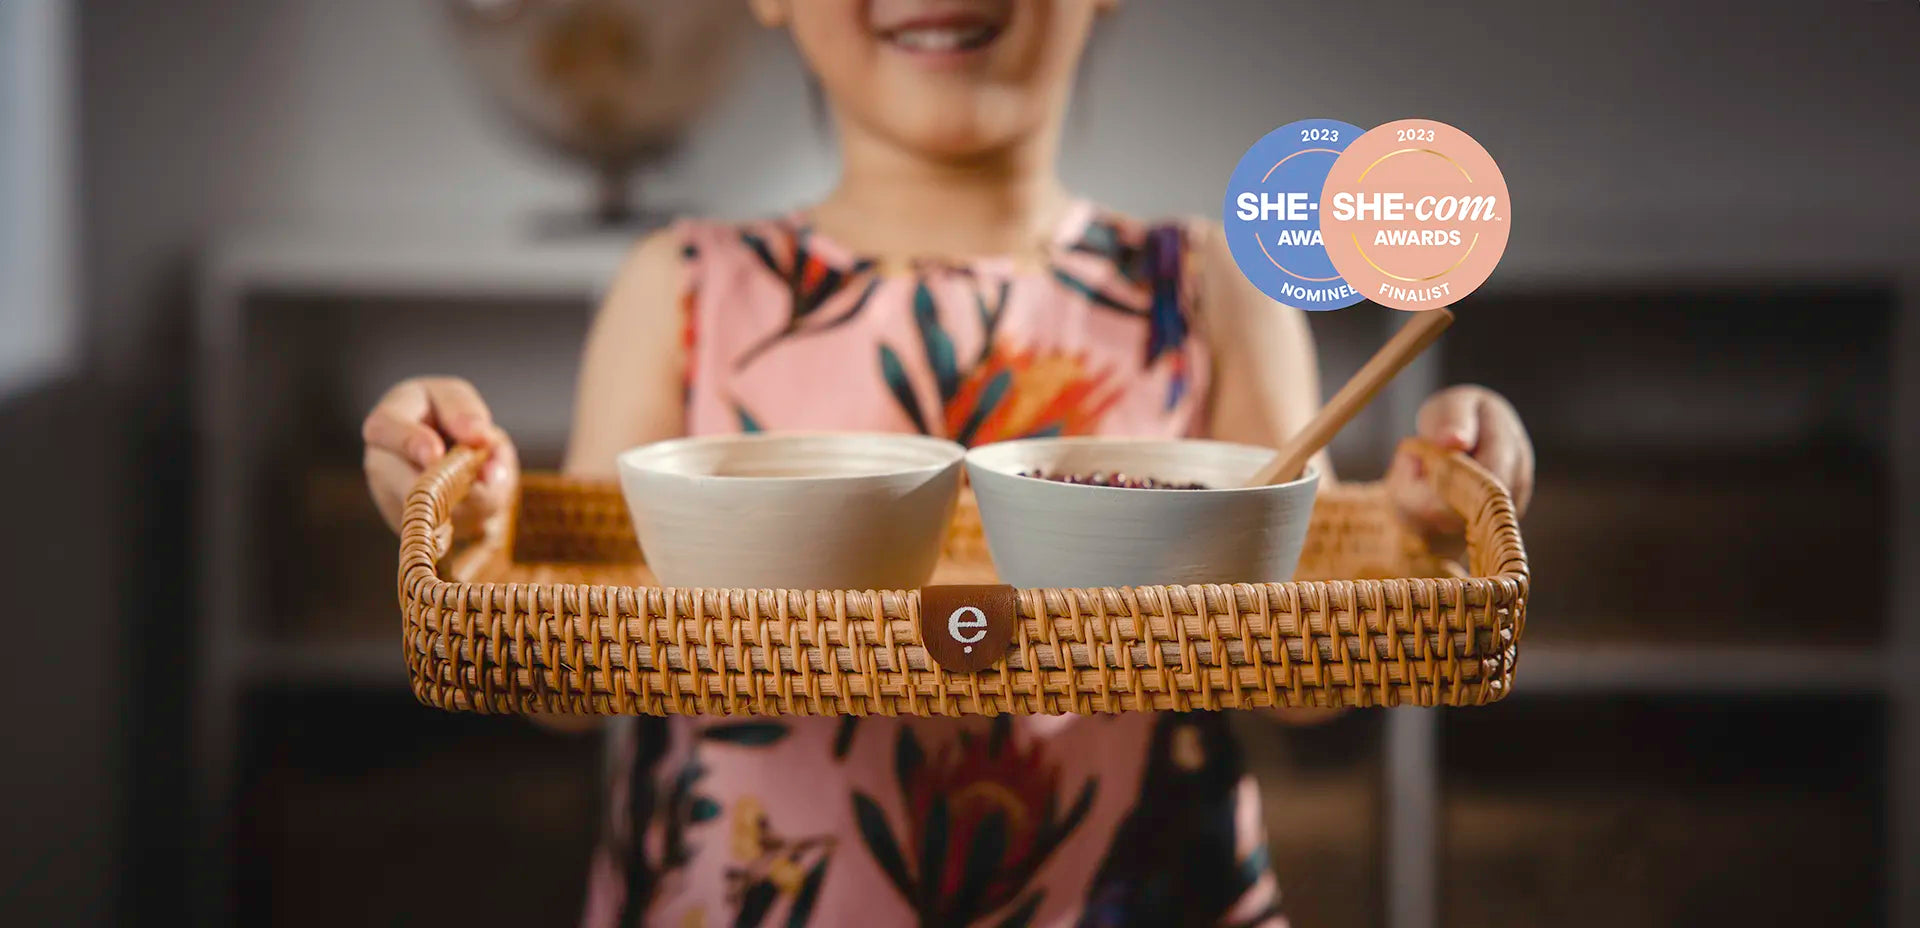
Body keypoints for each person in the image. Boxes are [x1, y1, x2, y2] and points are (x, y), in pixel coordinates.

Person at [361, 1, 1535, 924]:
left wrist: (1425, 532)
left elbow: (1303, 672)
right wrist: (480, 545)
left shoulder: (1216, 288)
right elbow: (579, 678)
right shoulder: (676, 290)